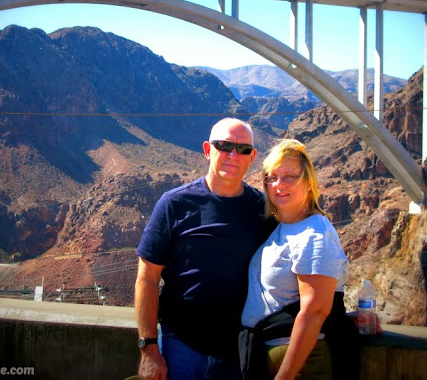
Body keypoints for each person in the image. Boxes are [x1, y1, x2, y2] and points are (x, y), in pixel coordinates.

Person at [135, 118, 277, 380]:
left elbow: (293, 268)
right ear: (207, 150)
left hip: (240, 349)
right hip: (180, 347)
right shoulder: (174, 204)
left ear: (253, 156)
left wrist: (335, 314)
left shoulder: (264, 210)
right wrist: (149, 350)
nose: (233, 155)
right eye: (224, 146)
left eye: (243, 149)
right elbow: (147, 279)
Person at [239, 139, 359, 380]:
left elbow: (315, 311)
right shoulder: (285, 227)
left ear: (308, 182)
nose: (278, 184)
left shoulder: (314, 232)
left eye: (289, 177)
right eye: (271, 178)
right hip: (274, 355)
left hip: (301, 366)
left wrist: (284, 376)